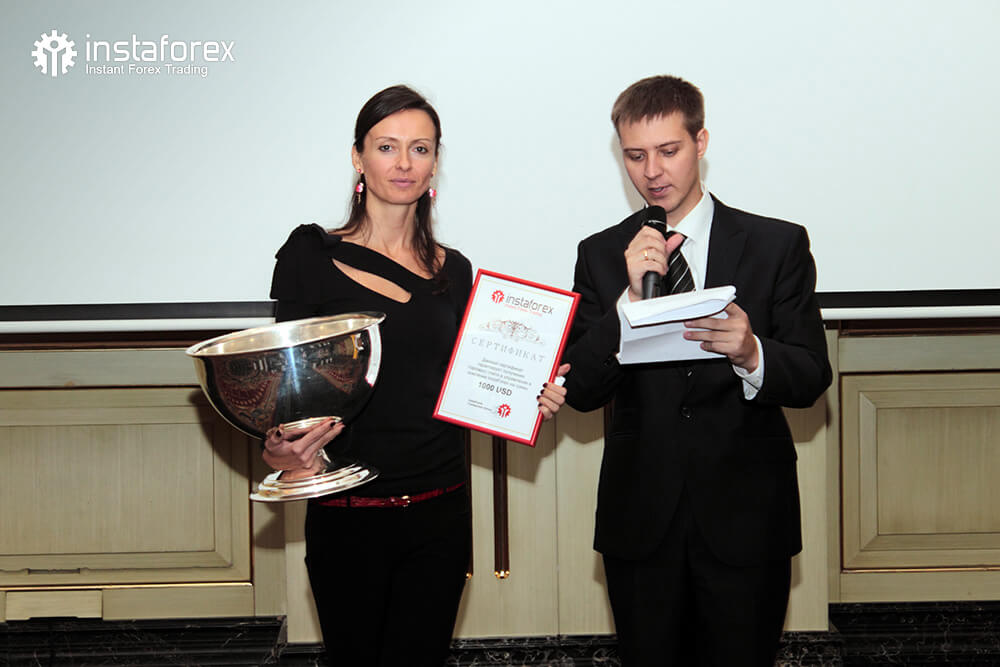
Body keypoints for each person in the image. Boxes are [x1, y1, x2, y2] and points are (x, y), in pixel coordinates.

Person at [262, 84, 569, 667]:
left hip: (441, 510)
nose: (404, 163)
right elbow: (284, 390)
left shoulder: (456, 270)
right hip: (349, 512)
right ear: (358, 157)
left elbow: (468, 381)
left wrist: (531, 394)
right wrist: (280, 446)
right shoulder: (310, 257)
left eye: (420, 149)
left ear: (435, 163)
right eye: (387, 146)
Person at [561, 75, 832, 666]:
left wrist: (752, 352)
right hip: (641, 519)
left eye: (669, 150)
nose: (653, 171)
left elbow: (813, 376)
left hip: (747, 516)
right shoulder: (602, 254)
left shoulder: (776, 243)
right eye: (635, 155)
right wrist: (626, 305)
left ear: (701, 142)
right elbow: (580, 390)